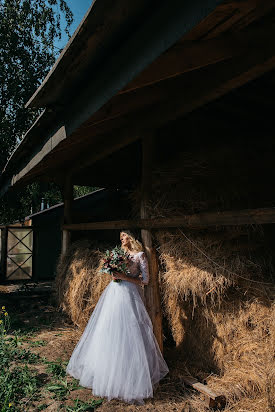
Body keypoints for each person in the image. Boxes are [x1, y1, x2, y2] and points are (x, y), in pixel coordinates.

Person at [66, 230, 169, 405]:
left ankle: (132, 378)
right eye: (120, 237)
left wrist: (125, 277)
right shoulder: (117, 254)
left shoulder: (140, 255)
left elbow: (145, 280)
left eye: (125, 235)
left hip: (130, 295)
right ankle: (106, 374)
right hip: (114, 293)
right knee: (109, 329)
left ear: (131, 237)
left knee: (131, 332)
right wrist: (113, 272)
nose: (122, 239)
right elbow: (111, 272)